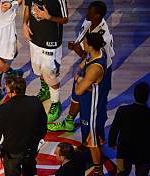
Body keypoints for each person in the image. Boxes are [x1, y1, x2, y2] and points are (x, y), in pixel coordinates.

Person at [48, 1, 114, 132]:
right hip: (87, 64)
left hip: (97, 71)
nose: (86, 12)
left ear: (97, 16)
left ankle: (95, 133)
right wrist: (76, 47)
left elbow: (94, 58)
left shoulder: (103, 37)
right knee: (76, 95)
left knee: (95, 104)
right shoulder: (89, 21)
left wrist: (77, 50)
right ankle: (69, 121)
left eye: (89, 11)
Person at [67, 32, 109, 176]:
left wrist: (78, 79)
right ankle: (91, 157)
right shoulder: (96, 52)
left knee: (93, 140)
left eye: (85, 42)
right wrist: (81, 73)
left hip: (93, 106)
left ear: (90, 45)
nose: (83, 44)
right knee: (91, 136)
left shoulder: (95, 68)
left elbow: (78, 91)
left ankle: (99, 174)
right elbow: (82, 64)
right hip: (88, 101)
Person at [23, 0, 69, 122]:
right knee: (38, 70)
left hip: (51, 42)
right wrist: (24, 24)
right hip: (34, 38)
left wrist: (49, 17)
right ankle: (45, 91)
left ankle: (55, 102)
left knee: (50, 75)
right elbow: (28, 7)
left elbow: (65, 19)